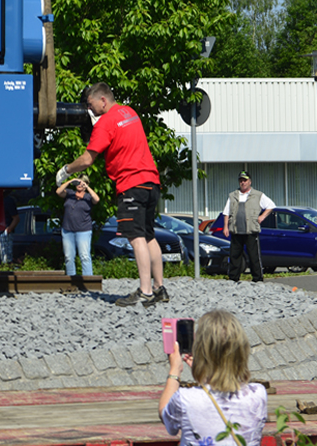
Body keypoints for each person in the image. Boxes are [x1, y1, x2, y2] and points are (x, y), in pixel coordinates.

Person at [59, 82, 168, 307]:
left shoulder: (105, 123)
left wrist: (67, 169)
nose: (89, 110)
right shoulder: (130, 112)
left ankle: (145, 292)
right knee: (149, 236)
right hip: (151, 181)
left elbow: (88, 159)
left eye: (90, 105)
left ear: (102, 101)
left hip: (131, 184)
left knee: (136, 237)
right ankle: (159, 288)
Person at [159, 309, 267, 446]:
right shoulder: (258, 394)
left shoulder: (185, 398)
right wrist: (207, 374)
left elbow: (165, 414)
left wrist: (175, 369)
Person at [219, 171, 275, 283]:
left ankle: (257, 279)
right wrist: (225, 227)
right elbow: (226, 212)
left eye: (245, 180)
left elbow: (271, 205)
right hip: (236, 231)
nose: (243, 183)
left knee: (254, 256)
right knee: (235, 256)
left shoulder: (258, 195)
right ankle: (233, 278)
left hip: (251, 231)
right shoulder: (233, 195)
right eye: (241, 181)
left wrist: (262, 216)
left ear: (250, 181)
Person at [56, 178, 99, 277]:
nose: (80, 185)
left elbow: (96, 199)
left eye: (82, 183)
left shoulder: (88, 197)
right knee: (69, 257)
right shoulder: (70, 194)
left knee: (84, 256)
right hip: (68, 230)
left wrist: (87, 187)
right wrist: (70, 181)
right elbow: (58, 191)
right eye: (78, 183)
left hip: (83, 230)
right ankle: (71, 280)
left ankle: (88, 281)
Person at [0, 192, 19, 266]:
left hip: (4, 232)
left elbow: (16, 218)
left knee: (6, 260)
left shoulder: (8, 201)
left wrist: (8, 230)